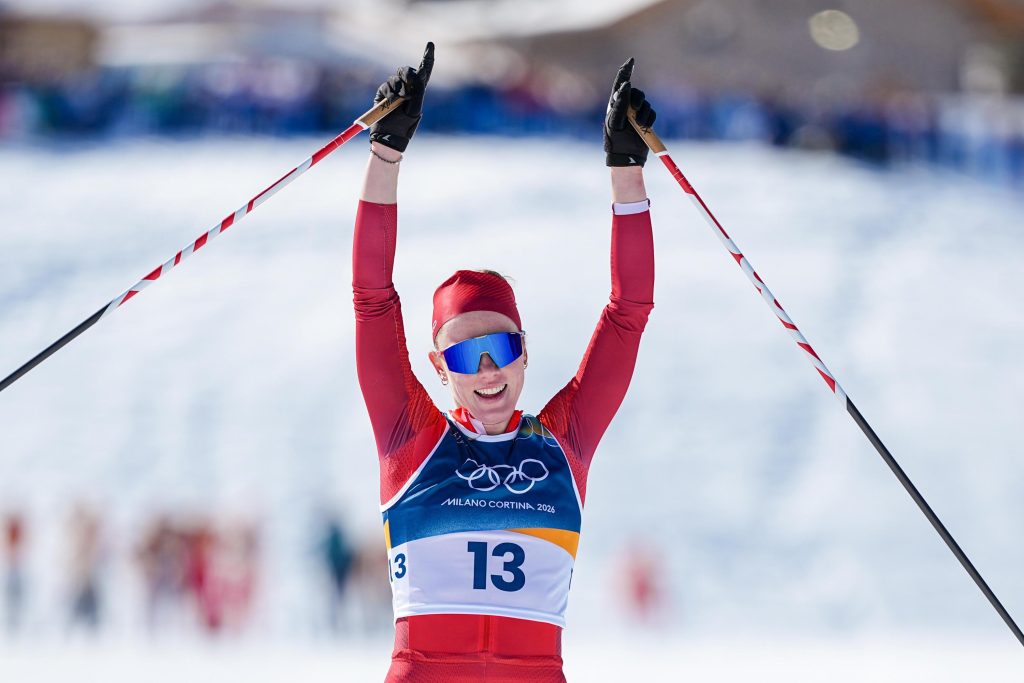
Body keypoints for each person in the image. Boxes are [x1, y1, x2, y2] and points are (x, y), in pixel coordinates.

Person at [352, 44, 656, 681]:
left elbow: (629, 310)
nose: (489, 370)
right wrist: (384, 156)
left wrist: (627, 169)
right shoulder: (411, 439)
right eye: (467, 354)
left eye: (505, 347)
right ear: (439, 365)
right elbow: (373, 300)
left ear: (525, 350)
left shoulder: (562, 446)